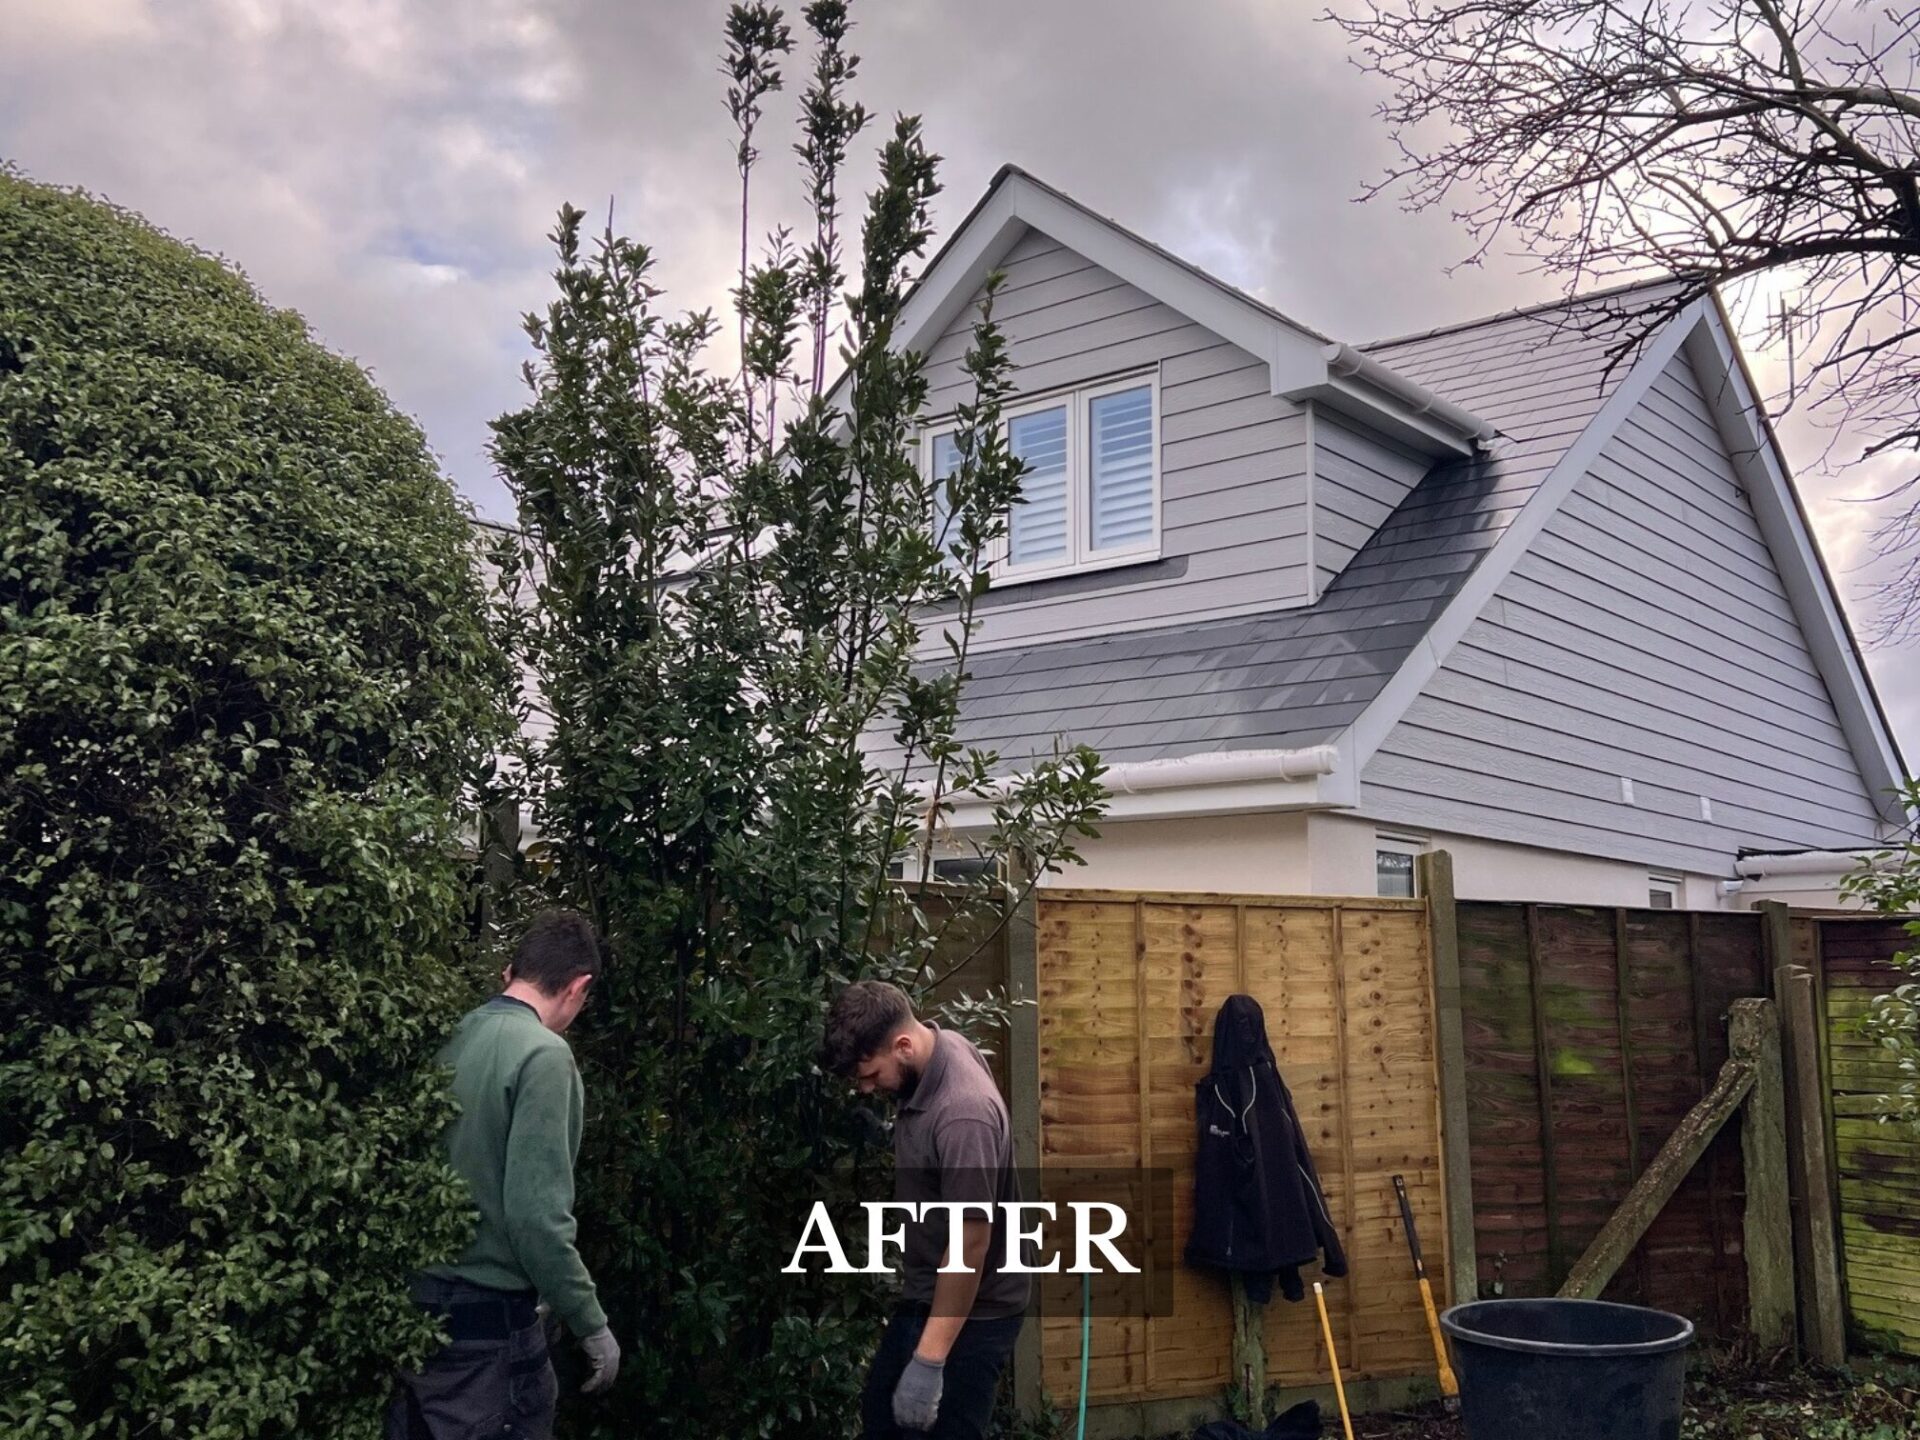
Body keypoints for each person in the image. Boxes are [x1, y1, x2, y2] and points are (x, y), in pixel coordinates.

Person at [387, 909, 621, 1440]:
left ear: (509, 973)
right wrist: (590, 1323)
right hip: (489, 1331)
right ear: (578, 987)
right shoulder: (544, 1056)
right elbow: (536, 1218)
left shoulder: (452, 1035)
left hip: (416, 1313)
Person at [820, 981, 1027, 1440]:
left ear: (903, 1046)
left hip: (976, 1306)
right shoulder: (940, 1047)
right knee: (881, 1416)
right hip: (929, 1290)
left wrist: (930, 1362)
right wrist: (889, 1134)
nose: (864, 1088)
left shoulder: (964, 1114)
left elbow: (970, 1245)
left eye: (870, 1075)